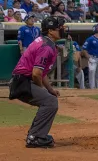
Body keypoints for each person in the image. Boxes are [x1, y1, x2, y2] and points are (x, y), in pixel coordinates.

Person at [9, 16, 68, 148]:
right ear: (51, 31)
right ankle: (35, 137)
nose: (62, 30)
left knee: (50, 98)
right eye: (59, 28)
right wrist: (41, 88)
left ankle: (36, 134)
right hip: (22, 82)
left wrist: (50, 89)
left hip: (21, 80)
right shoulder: (46, 46)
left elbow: (42, 73)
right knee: (50, 102)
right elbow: (36, 73)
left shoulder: (45, 42)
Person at [82, 24, 98, 89]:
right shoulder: (90, 39)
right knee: (92, 73)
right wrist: (89, 58)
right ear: (95, 29)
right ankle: (92, 88)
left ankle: (96, 88)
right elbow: (84, 50)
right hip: (92, 58)